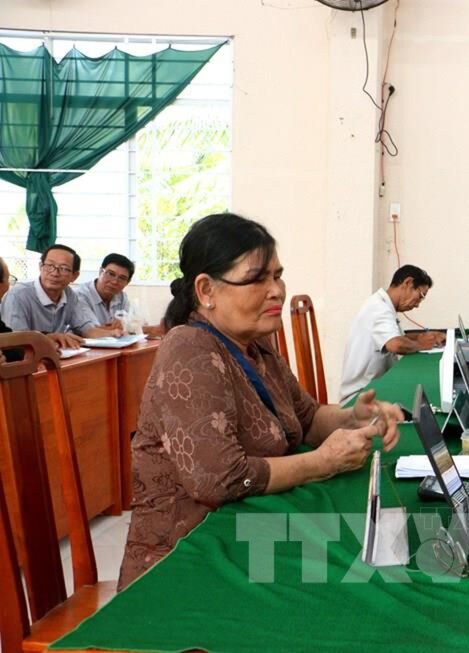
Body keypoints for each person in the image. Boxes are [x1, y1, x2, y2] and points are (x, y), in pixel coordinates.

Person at [118, 213, 402, 589]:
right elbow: (219, 479)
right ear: (206, 290)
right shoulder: (189, 348)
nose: (276, 291)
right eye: (257, 279)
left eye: (277, 276)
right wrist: (323, 462)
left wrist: (353, 418)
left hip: (251, 534)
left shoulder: (256, 345)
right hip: (189, 556)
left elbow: (307, 417)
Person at [338, 264, 445, 405]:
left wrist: (424, 336)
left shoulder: (383, 305)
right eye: (420, 296)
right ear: (408, 283)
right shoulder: (379, 309)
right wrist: (421, 344)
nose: (418, 304)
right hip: (359, 398)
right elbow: (395, 344)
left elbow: (400, 338)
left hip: (374, 388)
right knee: (425, 398)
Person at [0, 244, 123, 349]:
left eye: (64, 269)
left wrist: (115, 333)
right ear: (40, 267)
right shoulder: (17, 295)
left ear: (74, 276)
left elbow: (87, 330)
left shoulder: (69, 295)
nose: (54, 273)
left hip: (57, 358)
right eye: (49, 266)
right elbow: (15, 341)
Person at [74, 252, 134, 330]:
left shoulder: (122, 297)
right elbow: (92, 331)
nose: (115, 282)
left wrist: (126, 325)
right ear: (100, 272)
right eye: (111, 274)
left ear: (127, 282)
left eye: (122, 278)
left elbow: (135, 324)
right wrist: (125, 326)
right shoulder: (80, 295)